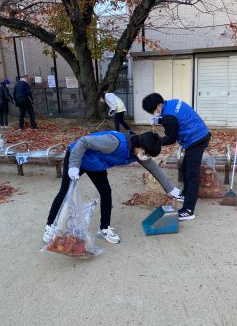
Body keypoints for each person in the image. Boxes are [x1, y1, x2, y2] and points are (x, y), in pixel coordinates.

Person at [43, 130, 180, 244]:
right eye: (146, 153)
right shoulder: (115, 143)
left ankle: (104, 229)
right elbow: (83, 141)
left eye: (149, 155)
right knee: (65, 190)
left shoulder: (138, 153)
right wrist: (73, 165)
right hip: (78, 156)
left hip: (96, 164)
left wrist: (170, 189)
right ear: (140, 145)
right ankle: (50, 225)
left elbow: (155, 169)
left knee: (106, 192)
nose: (146, 157)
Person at [142, 93, 211, 221]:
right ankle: (185, 194)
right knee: (185, 167)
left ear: (158, 105)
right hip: (198, 134)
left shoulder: (168, 117)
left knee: (192, 175)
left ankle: (188, 210)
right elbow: (175, 120)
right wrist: (159, 120)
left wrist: (156, 141)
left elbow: (170, 139)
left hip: (197, 139)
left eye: (153, 111)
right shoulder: (172, 103)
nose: (154, 113)